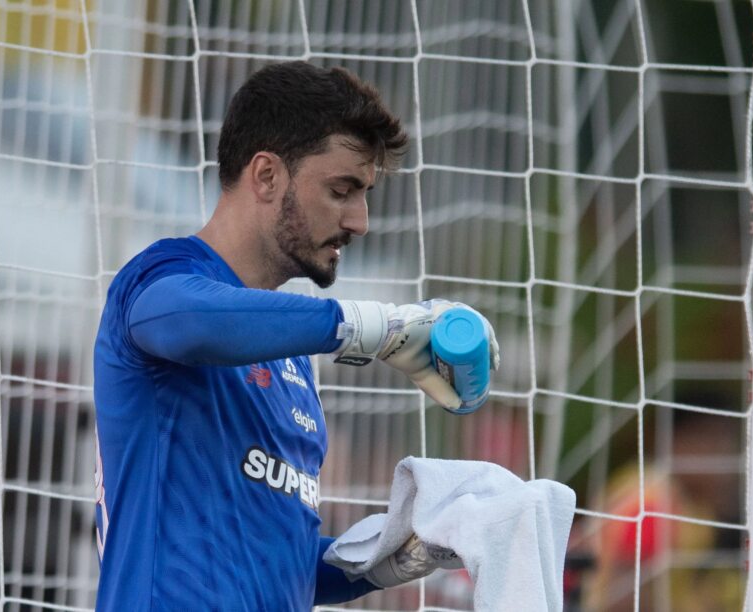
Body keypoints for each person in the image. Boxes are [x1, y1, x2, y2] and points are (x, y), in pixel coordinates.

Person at [93, 61, 499, 610]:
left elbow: (281, 562)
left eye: (365, 194)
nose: (360, 221)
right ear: (266, 176)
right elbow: (186, 322)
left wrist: (399, 554)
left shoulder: (294, 362)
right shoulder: (161, 278)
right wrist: (370, 329)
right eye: (342, 189)